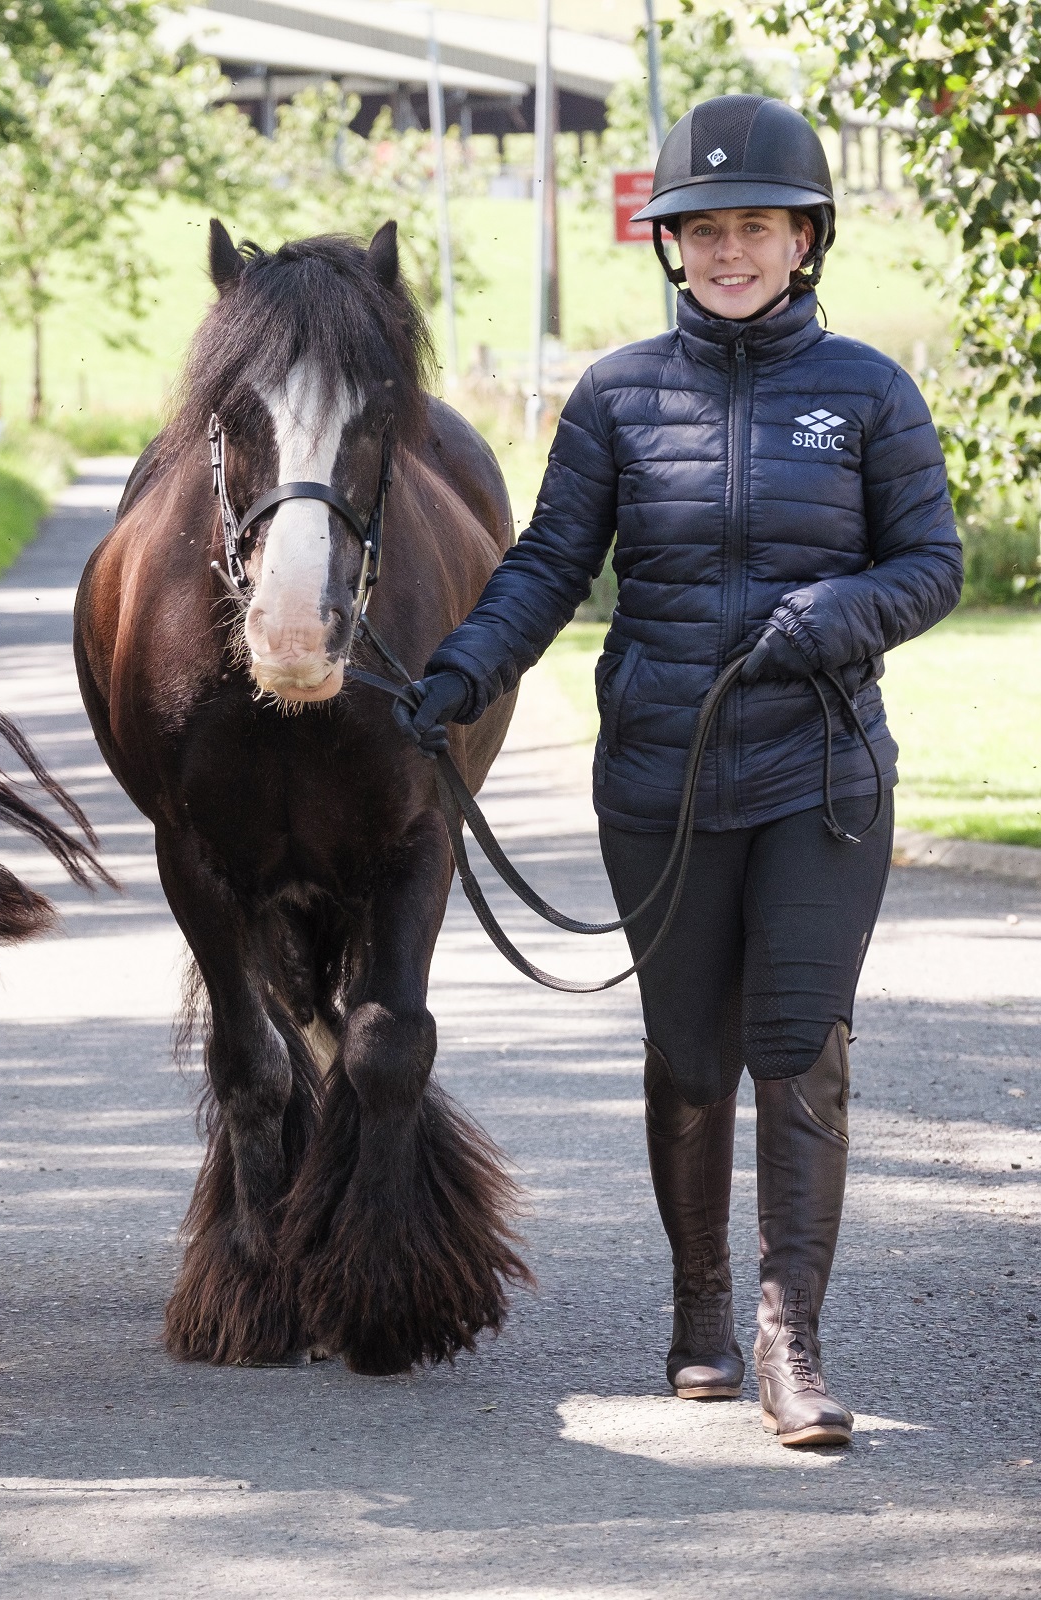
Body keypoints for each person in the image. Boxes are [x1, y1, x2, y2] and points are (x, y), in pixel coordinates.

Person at [398, 95, 960, 1447]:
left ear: (804, 237)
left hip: (822, 773)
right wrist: (460, 673)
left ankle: (788, 1339)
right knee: (690, 1051)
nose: (727, 249)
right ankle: (699, 1305)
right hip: (661, 771)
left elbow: (932, 565)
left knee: (799, 1049)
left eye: (754, 226)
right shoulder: (616, 397)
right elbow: (546, 563)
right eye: (702, 229)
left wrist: (840, 614)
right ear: (673, 245)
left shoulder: (871, 394)